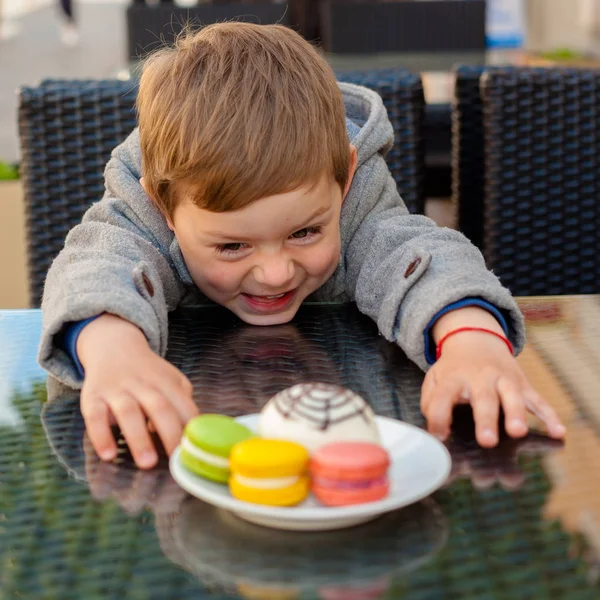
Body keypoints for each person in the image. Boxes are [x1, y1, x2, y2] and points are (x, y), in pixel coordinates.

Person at [38, 23, 566, 470]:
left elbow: (418, 255)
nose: (274, 272)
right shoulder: (146, 205)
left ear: (344, 180)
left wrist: (471, 339)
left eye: (305, 233)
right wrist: (113, 350)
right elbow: (96, 262)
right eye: (232, 246)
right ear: (163, 206)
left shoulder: (355, 202)